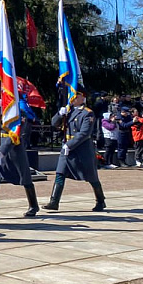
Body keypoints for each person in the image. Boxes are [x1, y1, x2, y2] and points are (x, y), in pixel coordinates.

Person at [44, 84, 106, 212]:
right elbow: (54, 124)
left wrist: (69, 144)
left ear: (82, 98)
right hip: (66, 149)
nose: (72, 98)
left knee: (91, 176)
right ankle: (54, 201)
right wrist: (60, 114)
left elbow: (84, 133)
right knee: (60, 173)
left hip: (82, 150)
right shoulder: (68, 110)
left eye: (76, 95)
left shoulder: (87, 113)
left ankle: (100, 201)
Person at [0, 95, 39, 220]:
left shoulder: (20, 113)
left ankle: (33, 205)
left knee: (24, 176)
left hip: (14, 146)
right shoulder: (0, 110)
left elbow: (18, 132)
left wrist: (4, 149)